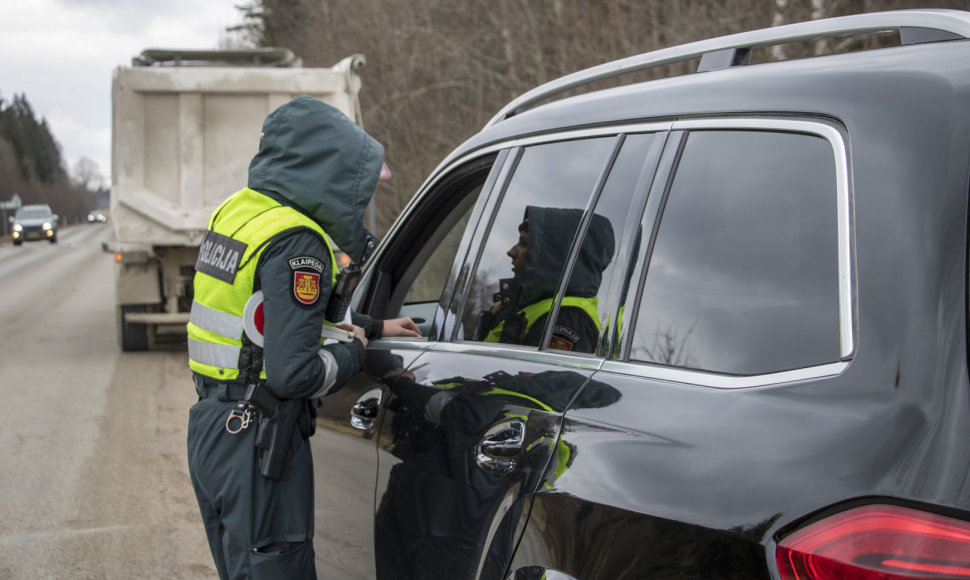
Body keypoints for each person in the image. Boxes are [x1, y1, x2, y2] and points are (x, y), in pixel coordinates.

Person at [185, 95, 420, 580]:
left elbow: (259, 316)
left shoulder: (236, 212)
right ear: (329, 173)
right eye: (357, 185)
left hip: (213, 427)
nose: (362, 201)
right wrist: (355, 353)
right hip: (258, 437)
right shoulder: (298, 241)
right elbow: (294, 373)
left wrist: (374, 326)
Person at [474, 206, 615, 353]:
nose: (511, 252)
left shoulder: (563, 317)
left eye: (524, 243)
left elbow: (529, 374)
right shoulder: (537, 306)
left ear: (555, 257)